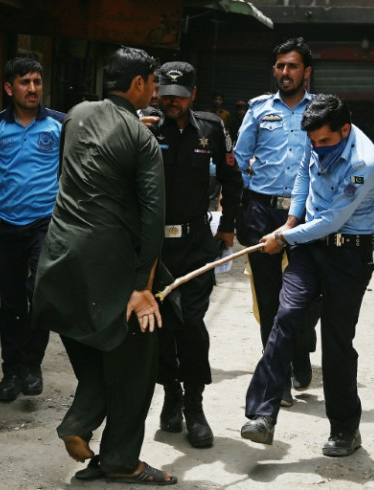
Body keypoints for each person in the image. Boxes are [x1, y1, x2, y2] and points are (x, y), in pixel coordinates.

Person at [31, 47, 177, 484]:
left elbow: (73, 171)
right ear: (137, 84)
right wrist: (141, 286)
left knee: (96, 352)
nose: (155, 91)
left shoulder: (75, 115)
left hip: (59, 261)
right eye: (152, 83)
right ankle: (119, 460)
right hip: (111, 265)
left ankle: (80, 422)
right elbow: (154, 220)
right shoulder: (144, 141)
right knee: (135, 367)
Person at [240, 94, 374, 457]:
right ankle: (262, 416)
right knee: (285, 317)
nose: (317, 147)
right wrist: (291, 219)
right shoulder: (313, 138)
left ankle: (345, 430)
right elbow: (303, 175)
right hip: (308, 248)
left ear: (344, 130)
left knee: (336, 344)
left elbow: (333, 219)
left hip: (348, 254)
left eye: (325, 141)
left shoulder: (364, 162)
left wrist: (284, 236)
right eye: (313, 141)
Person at [146, 61, 243, 448]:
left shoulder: (212, 129)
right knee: (162, 328)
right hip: (156, 247)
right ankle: (170, 393)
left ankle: (195, 405)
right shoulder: (145, 125)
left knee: (192, 326)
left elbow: (232, 179)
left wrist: (229, 225)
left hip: (196, 242)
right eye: (165, 95)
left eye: (179, 96)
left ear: (193, 95)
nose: (171, 103)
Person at [0, 57, 64, 403]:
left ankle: (32, 366)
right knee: (11, 302)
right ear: (9, 88)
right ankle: (11, 372)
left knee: (41, 294)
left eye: (37, 81)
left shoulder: (59, 125)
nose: (33, 88)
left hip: (46, 224)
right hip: (5, 226)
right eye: (25, 82)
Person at [233, 37, 318, 407]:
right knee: (270, 301)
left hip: (307, 216)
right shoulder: (258, 110)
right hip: (263, 212)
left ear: (307, 71)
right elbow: (239, 158)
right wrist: (250, 200)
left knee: (305, 299)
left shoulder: (323, 110)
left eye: (293, 66)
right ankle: (277, 375)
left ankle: (300, 351)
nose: (285, 73)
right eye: (280, 66)